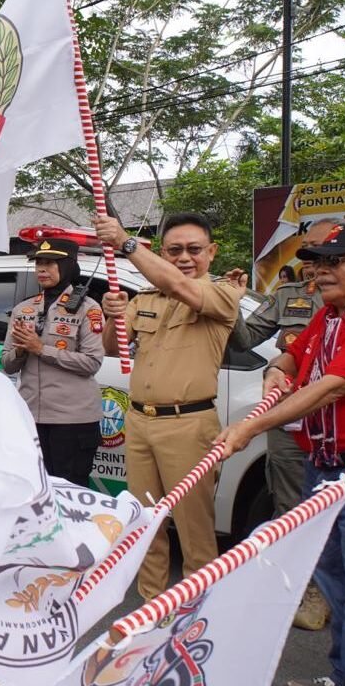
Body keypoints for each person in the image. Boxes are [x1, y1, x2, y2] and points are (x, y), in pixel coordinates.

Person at [214, 223, 345, 686]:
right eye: (319, 261)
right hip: (324, 468)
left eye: (336, 261)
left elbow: (331, 387)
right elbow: (295, 355)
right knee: (336, 582)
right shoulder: (329, 315)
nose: (321, 271)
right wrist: (276, 369)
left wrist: (250, 427)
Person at [94, 212, 245, 601]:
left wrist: (125, 242)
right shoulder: (146, 298)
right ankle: (152, 606)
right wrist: (113, 316)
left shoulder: (222, 294)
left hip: (188, 425)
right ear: (163, 252)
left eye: (194, 249)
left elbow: (179, 285)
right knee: (145, 523)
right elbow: (112, 348)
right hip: (139, 420)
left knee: (194, 530)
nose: (184, 257)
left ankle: (198, 612)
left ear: (211, 252)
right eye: (175, 250)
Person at [228, 218, 339, 630]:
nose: (309, 258)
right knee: (292, 506)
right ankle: (307, 593)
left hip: (342, 421)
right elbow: (245, 339)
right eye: (306, 249)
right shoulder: (288, 295)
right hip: (292, 422)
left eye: (320, 248)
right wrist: (232, 302)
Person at [1, 238, 105, 486]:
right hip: (31, 419)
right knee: (35, 490)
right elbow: (7, 363)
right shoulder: (24, 309)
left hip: (72, 422)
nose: (42, 269)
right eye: (38, 263)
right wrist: (22, 350)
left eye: (50, 263)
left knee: (69, 493)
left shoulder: (88, 309)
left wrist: (41, 349)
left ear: (67, 266)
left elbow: (92, 363)